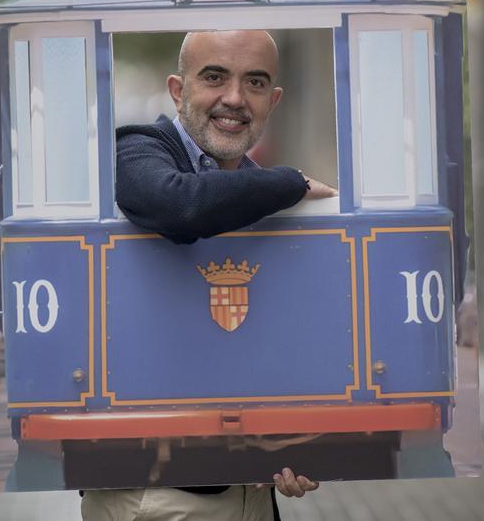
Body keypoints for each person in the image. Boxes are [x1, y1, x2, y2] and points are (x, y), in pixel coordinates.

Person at [82, 30, 336, 521]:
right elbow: (179, 207)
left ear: (273, 100)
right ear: (178, 90)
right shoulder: (135, 151)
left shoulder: (260, 198)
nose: (235, 98)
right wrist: (292, 181)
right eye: (214, 77)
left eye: (255, 82)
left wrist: (306, 447)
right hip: (153, 498)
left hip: (252, 494)